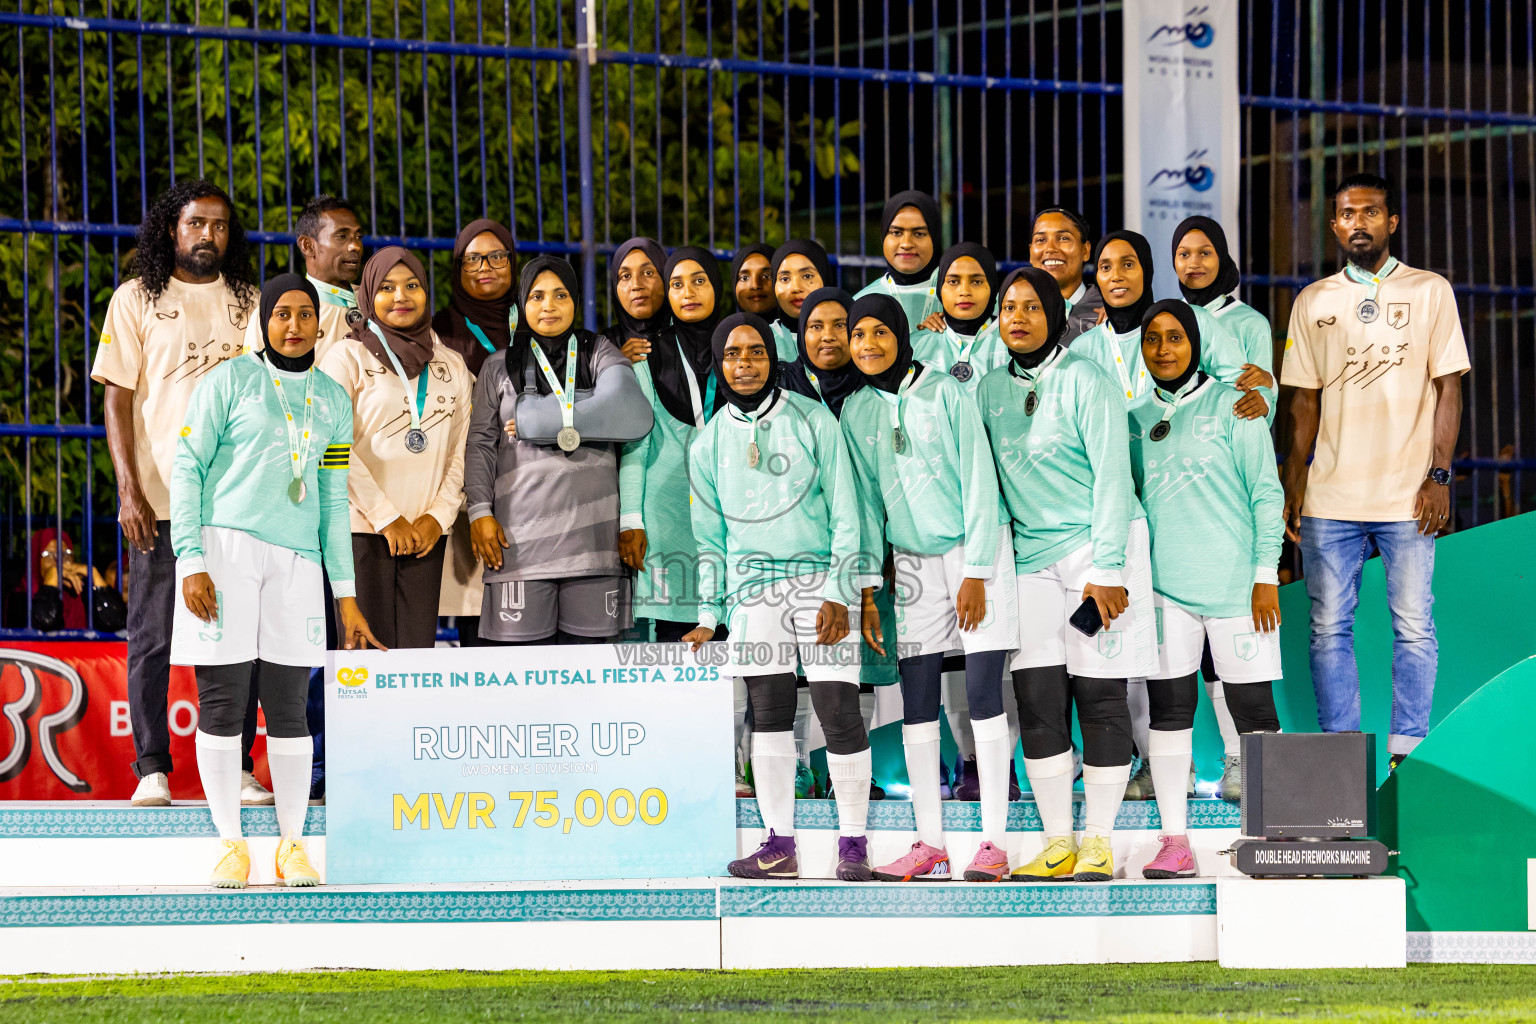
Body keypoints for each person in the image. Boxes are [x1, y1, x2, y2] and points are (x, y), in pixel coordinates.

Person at [169, 273, 384, 888]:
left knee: (289, 706)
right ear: (263, 320)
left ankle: (292, 844)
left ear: (320, 322)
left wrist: (345, 594)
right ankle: (231, 843)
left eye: (304, 314)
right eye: (281, 313)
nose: (293, 325)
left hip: (296, 563)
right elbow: (187, 467)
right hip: (224, 550)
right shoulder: (230, 381)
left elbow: (333, 499)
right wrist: (190, 559)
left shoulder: (333, 400)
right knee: (224, 702)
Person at [1073, 228, 1273, 801]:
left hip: (1225, 558)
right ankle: (1166, 787)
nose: (1162, 348)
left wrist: (1269, 392)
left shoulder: (1226, 391)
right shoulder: (1094, 363)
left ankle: (1256, 784)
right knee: (1153, 681)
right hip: (1138, 549)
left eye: (1129, 264)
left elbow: (1251, 389)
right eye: (1106, 265)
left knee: (1240, 690)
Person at [1280, 172, 1469, 771]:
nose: (1358, 222)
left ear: (1392, 222)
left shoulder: (1431, 290)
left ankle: (1407, 754)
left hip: (1408, 495)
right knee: (1326, 629)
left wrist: (1439, 475)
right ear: (1333, 225)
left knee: (1414, 626)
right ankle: (1342, 759)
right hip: (1330, 496)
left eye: (1371, 212)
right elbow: (1302, 401)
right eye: (1346, 213)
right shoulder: (1313, 300)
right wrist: (1294, 480)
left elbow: (1449, 390)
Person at [91, 177, 269, 809]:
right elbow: (116, 398)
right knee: (152, 636)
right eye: (196, 224)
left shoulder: (250, 302)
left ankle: (241, 766)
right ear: (173, 228)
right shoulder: (137, 298)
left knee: (237, 639)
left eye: (219, 226)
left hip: (239, 504)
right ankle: (151, 768)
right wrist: (129, 490)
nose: (208, 236)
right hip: (163, 503)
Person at [681, 312, 876, 882]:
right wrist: (708, 615)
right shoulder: (707, 441)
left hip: (820, 584)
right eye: (733, 354)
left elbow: (847, 510)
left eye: (756, 352)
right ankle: (779, 843)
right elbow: (709, 538)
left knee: (838, 711)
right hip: (752, 592)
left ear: (773, 357)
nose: (745, 364)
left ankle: (854, 840)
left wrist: (842, 589)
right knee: (769, 715)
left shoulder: (813, 419)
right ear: (720, 364)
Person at [977, 266, 1151, 882]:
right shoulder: (991, 389)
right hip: (1030, 557)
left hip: (1097, 550)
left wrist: (1107, 569)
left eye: (1030, 306)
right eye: (1007, 308)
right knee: (1037, 695)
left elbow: (1112, 476)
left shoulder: (1086, 378)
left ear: (1055, 313)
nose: (1017, 317)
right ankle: (1057, 841)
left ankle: (1098, 840)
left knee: (1100, 694)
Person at [841, 293, 1020, 883]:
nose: (867, 344)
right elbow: (864, 504)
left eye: (878, 333)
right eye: (857, 335)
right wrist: (868, 586)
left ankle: (994, 842)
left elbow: (978, 477)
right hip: (912, 563)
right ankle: (930, 843)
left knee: (983, 694)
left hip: (972, 551)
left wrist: (977, 571)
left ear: (900, 335)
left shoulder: (945, 390)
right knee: (919, 704)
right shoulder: (858, 411)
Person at [1129, 300, 1286, 878]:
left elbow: (1267, 496)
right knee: (1170, 713)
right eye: (1152, 339)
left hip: (1238, 593)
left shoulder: (1236, 407)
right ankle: (1175, 841)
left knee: (1253, 709)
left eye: (1175, 337)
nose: (1163, 348)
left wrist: (1264, 576)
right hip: (1166, 596)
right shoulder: (1133, 419)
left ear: (1195, 342)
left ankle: (1265, 836)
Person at [465, 257, 648, 644]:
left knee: (589, 683)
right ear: (522, 304)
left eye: (560, 295)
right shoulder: (499, 366)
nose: (548, 306)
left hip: (593, 550)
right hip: (518, 547)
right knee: (523, 681)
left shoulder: (598, 352)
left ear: (576, 302)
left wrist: (538, 422)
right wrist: (479, 511)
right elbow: (480, 445)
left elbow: (629, 412)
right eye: (537, 296)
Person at [318, 247, 471, 649]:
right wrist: (387, 518)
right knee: (366, 665)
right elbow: (335, 448)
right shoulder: (346, 356)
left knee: (415, 662)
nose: (401, 296)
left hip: (426, 534)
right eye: (386, 288)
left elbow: (461, 452)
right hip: (363, 531)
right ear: (368, 295)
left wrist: (437, 519)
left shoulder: (452, 364)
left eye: (412, 286)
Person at [1171, 215, 1274, 799]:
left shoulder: (1250, 322)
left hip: (1226, 495)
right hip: (1175, 505)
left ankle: (1240, 762)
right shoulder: (1165, 323)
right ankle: (1170, 765)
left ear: (1223, 257)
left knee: (1228, 658)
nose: (1194, 263)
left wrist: (1255, 391)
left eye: (1204, 252)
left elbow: (1262, 399)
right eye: (1184, 253)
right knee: (1171, 663)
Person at [780, 286, 894, 801]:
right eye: (815, 327)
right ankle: (806, 768)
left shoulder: (869, 388)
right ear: (800, 335)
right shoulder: (781, 385)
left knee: (860, 664)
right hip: (798, 551)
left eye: (838, 326)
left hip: (867, 545)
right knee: (803, 673)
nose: (827, 337)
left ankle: (856, 774)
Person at [618, 245, 725, 641]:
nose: (688, 292)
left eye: (699, 281)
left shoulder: (739, 352)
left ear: (717, 286)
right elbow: (635, 447)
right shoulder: (649, 356)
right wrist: (631, 519)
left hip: (735, 518)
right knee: (675, 643)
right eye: (677, 284)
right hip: (668, 522)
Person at [431, 219, 519, 647]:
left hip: (534, 487)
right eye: (473, 258)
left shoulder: (540, 316)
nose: (486, 266)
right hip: (471, 490)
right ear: (458, 268)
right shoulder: (438, 330)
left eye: (497, 256)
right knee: (478, 620)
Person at [910, 242, 1008, 396]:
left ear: (992, 287)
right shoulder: (914, 345)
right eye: (953, 282)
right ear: (940, 288)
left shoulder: (1012, 341)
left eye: (976, 282)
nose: (964, 291)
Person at [4, 528, 126, 633]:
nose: (59, 561)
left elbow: (116, 621)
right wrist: (51, 582)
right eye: (49, 555)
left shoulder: (82, 594)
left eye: (66, 554)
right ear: (35, 560)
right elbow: (45, 624)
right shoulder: (19, 598)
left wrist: (94, 573)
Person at [853, 190, 942, 327]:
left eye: (919, 234)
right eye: (896, 232)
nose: (906, 244)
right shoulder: (861, 302)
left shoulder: (961, 299)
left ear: (935, 238)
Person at [294, 195, 366, 361]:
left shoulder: (379, 303)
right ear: (308, 245)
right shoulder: (281, 310)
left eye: (358, 237)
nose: (355, 246)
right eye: (342, 236)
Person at [1029, 206, 1105, 344]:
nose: (1050, 248)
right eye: (1040, 240)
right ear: (1030, 252)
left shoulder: (1108, 308)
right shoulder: (1008, 310)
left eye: (1063, 238)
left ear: (1086, 250)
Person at [606, 237, 671, 365]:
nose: (636, 285)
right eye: (625, 276)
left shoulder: (690, 338)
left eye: (647, 273)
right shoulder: (602, 349)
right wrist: (614, 367)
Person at [767, 239, 834, 362]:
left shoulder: (848, 335)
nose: (796, 288)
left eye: (807, 276)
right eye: (785, 279)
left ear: (825, 278)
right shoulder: (762, 340)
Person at [729, 243, 777, 317]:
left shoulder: (800, 328)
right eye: (744, 278)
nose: (755, 285)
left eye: (766, 276)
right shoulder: (724, 328)